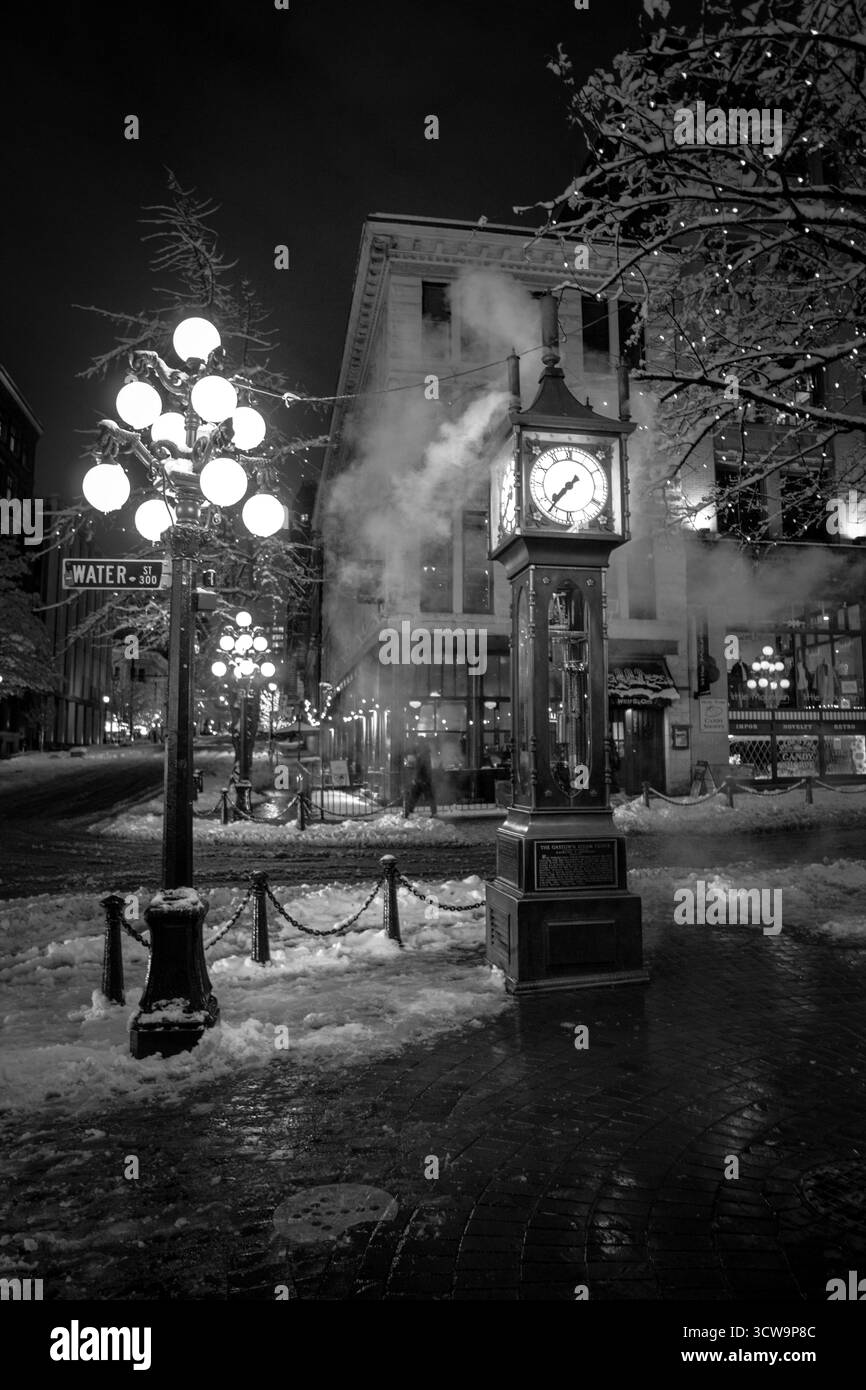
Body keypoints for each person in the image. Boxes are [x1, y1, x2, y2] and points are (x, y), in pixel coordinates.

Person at [407, 739, 437, 816]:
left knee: (414, 795)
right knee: (428, 796)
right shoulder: (426, 754)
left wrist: (415, 778)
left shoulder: (421, 755)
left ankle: (409, 811)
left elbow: (418, 768)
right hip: (425, 779)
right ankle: (434, 812)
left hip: (421, 779)